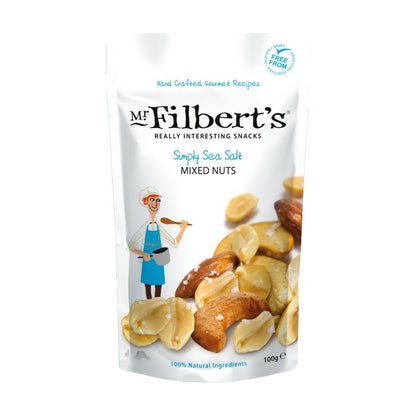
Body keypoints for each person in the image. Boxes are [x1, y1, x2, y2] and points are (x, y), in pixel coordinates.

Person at [128, 187, 188, 299]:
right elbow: (130, 246)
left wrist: (183, 229)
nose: (155, 204)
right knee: (148, 290)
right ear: (146, 202)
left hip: (159, 262)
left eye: (158, 200)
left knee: (158, 290)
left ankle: (158, 306)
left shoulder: (159, 227)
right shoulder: (144, 227)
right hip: (147, 262)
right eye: (152, 200)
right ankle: (148, 307)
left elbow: (174, 243)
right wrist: (144, 254)